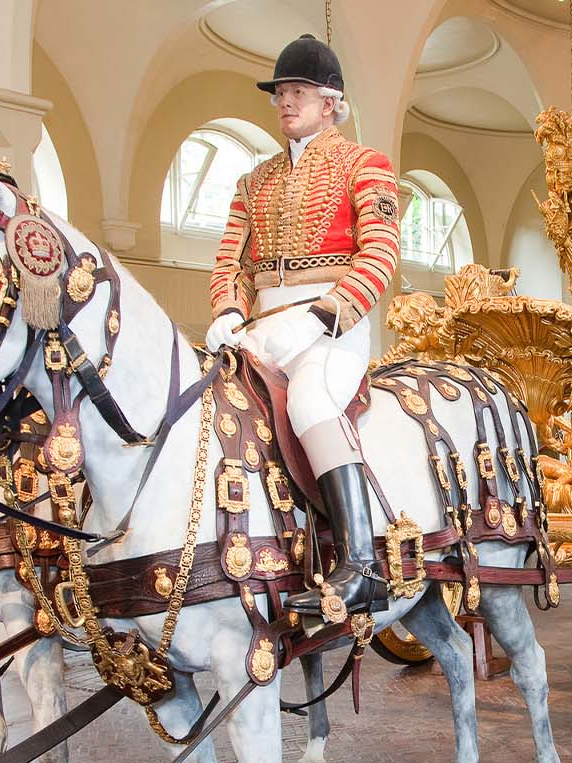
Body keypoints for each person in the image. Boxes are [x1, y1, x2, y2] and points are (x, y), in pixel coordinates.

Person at [206, 34, 401, 620]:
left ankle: (362, 562)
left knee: (313, 403)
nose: (286, 101)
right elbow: (229, 261)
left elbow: (381, 252)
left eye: (298, 92)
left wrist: (326, 313)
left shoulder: (366, 166)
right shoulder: (252, 181)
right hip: (263, 324)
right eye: (281, 93)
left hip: (329, 323)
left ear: (331, 103)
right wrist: (227, 311)